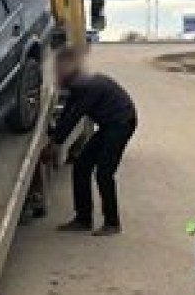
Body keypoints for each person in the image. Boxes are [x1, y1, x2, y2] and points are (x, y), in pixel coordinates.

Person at [47, 47, 138, 236]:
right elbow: (67, 113)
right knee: (81, 166)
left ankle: (112, 223)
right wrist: (54, 134)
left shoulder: (88, 87)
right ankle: (83, 219)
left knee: (104, 173)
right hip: (108, 126)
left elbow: (75, 116)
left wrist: (55, 143)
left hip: (121, 124)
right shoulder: (77, 85)